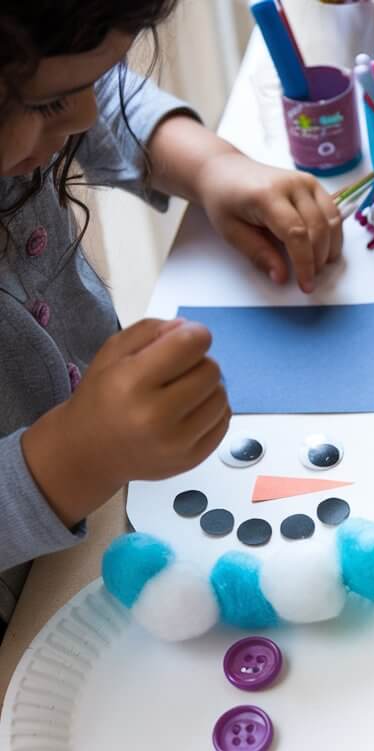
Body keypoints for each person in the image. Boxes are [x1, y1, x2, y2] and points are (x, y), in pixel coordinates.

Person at [0, 1, 342, 635]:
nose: (84, 116)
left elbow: (88, 84)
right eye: (49, 108)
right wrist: (76, 456)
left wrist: (211, 165)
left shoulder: (39, 80)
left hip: (113, 519)